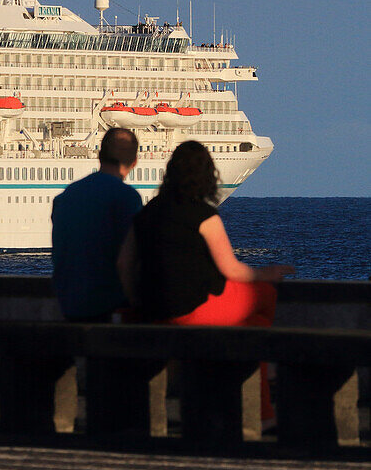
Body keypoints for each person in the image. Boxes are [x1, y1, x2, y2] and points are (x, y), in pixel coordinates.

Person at [117, 140, 292, 420]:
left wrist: (136, 300)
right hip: (192, 310)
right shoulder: (203, 214)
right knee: (263, 296)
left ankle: (260, 374)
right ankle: (263, 397)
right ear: (207, 174)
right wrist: (266, 273)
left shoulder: (146, 213)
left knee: (252, 327)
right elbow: (231, 270)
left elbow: (124, 263)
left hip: (153, 310)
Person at [51, 128, 142, 322]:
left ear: (99, 156)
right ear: (134, 162)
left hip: (68, 304)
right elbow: (127, 261)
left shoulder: (66, 196)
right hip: (105, 306)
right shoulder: (127, 197)